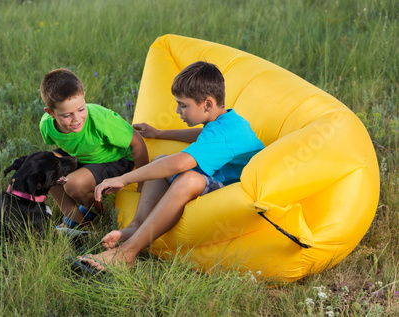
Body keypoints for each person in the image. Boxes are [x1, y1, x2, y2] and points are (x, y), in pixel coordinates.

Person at [72, 61, 265, 273]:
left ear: (207, 104)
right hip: (219, 180)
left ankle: (127, 253)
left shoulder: (227, 133)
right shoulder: (227, 122)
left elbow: (179, 163)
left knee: (187, 177)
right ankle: (135, 226)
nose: (177, 110)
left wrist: (125, 178)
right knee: (160, 160)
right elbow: (203, 136)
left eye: (183, 105)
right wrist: (160, 133)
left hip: (236, 193)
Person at [39, 68, 148, 234]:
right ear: (50, 113)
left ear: (84, 95)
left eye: (81, 109)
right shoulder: (47, 126)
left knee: (74, 184)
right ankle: (77, 221)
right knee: (42, 167)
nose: (76, 118)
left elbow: (137, 143)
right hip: (83, 157)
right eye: (67, 115)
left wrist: (142, 183)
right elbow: (67, 147)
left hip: (114, 158)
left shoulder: (101, 120)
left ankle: (99, 215)